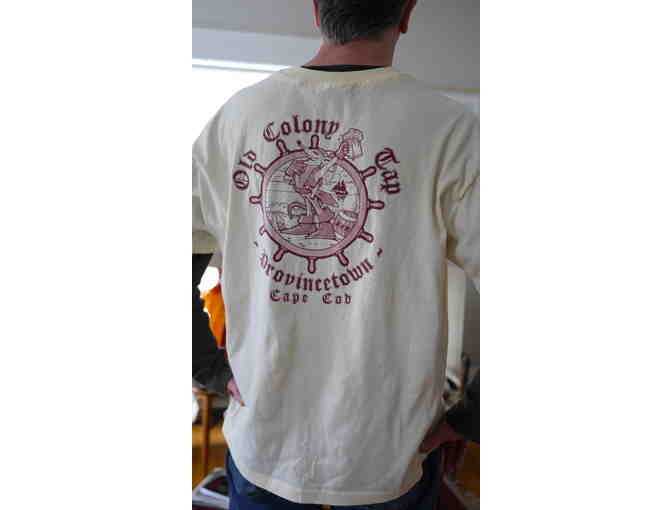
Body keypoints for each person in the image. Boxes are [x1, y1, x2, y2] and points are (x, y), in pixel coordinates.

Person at [192, 0, 479, 508]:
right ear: (407, 12)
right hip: (388, 453)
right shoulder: (450, 130)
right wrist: (473, 415)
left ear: (316, 9)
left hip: (264, 440)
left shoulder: (236, 118)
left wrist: (207, 366)